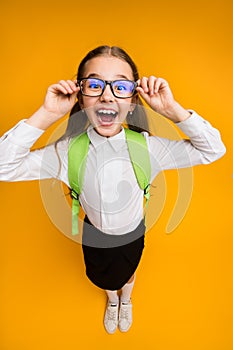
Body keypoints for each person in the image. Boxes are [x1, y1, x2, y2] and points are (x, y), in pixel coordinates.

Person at [0, 45, 226, 334]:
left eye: (120, 86)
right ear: (80, 98)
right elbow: (3, 166)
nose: (107, 95)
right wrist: (46, 114)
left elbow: (213, 150)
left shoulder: (149, 148)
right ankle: (112, 300)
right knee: (102, 277)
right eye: (94, 84)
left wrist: (171, 110)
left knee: (128, 273)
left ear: (132, 101)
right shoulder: (67, 152)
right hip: (93, 233)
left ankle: (126, 299)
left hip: (133, 230)